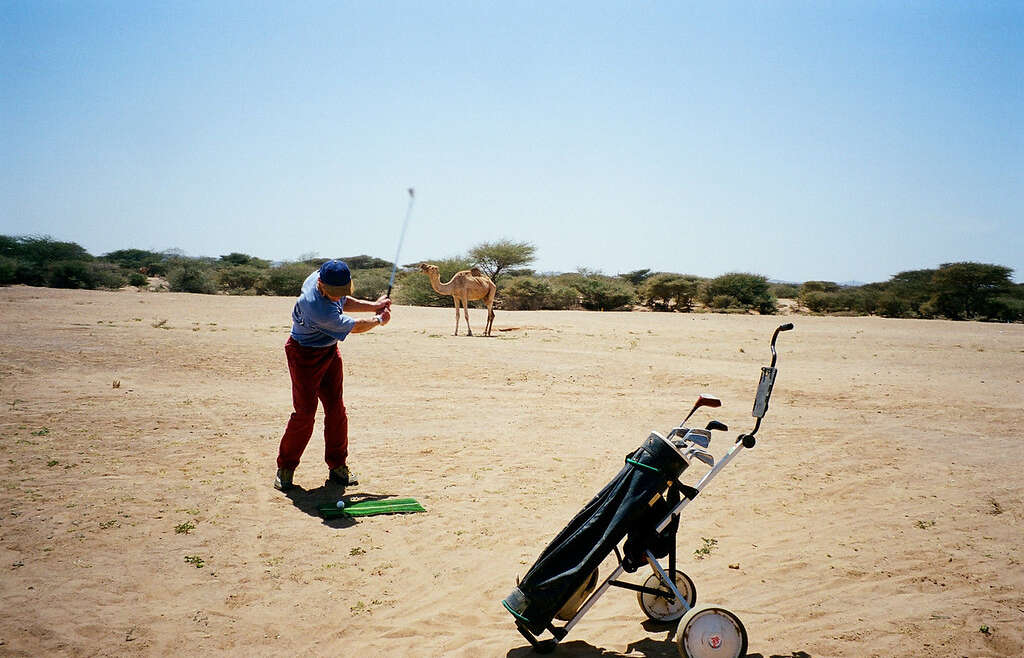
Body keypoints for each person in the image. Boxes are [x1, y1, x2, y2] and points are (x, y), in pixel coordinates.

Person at [274, 259, 391, 492]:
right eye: (333, 293)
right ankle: (285, 467)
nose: (338, 297)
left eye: (342, 291)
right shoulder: (315, 306)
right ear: (320, 284)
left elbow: (343, 300)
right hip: (303, 355)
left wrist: (373, 304)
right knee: (305, 414)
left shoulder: (324, 281)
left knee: (337, 410)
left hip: (328, 351)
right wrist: (379, 319)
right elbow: (355, 327)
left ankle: (338, 466)